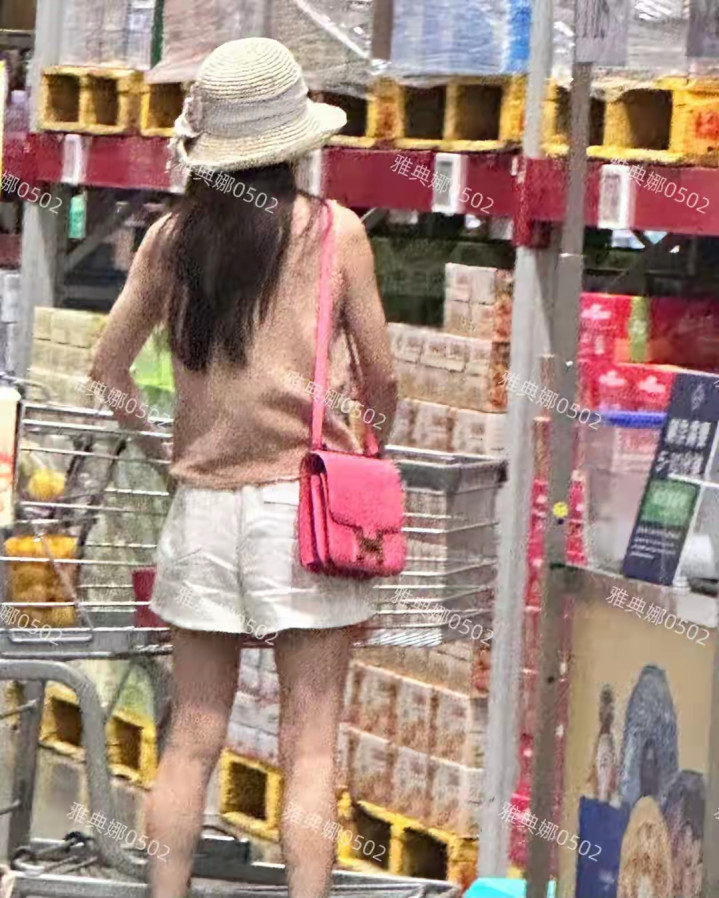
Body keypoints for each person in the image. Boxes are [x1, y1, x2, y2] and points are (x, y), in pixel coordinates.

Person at [89, 37, 398, 898]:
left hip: (203, 508)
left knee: (191, 736)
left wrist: (163, 452)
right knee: (310, 745)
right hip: (305, 511)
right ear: (294, 140)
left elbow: (108, 370)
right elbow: (381, 374)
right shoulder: (335, 234)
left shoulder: (170, 239)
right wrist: (369, 443)